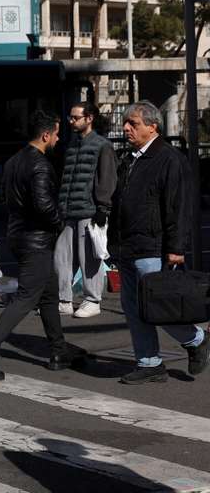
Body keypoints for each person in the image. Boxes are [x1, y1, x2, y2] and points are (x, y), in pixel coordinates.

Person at [0, 112, 84, 381]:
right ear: (45, 135)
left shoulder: (14, 161)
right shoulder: (40, 165)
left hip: (18, 235)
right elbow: (43, 204)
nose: (57, 138)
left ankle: (58, 350)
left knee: (49, 294)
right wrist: (59, 220)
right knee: (27, 298)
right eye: (55, 133)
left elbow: (9, 198)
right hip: (37, 240)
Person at [109, 101, 209, 384]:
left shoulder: (169, 158)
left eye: (134, 123)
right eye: (126, 123)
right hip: (128, 247)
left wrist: (176, 248)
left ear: (153, 127)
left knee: (159, 307)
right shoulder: (130, 158)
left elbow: (179, 207)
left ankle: (197, 339)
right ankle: (149, 362)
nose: (126, 128)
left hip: (154, 247)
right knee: (134, 308)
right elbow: (121, 204)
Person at [55, 102, 117, 319]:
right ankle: (64, 299)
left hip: (89, 211)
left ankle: (92, 300)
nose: (71, 121)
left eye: (75, 117)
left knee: (88, 258)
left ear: (89, 118)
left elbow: (107, 178)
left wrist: (103, 207)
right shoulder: (72, 145)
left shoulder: (102, 145)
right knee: (62, 256)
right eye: (71, 117)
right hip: (69, 210)